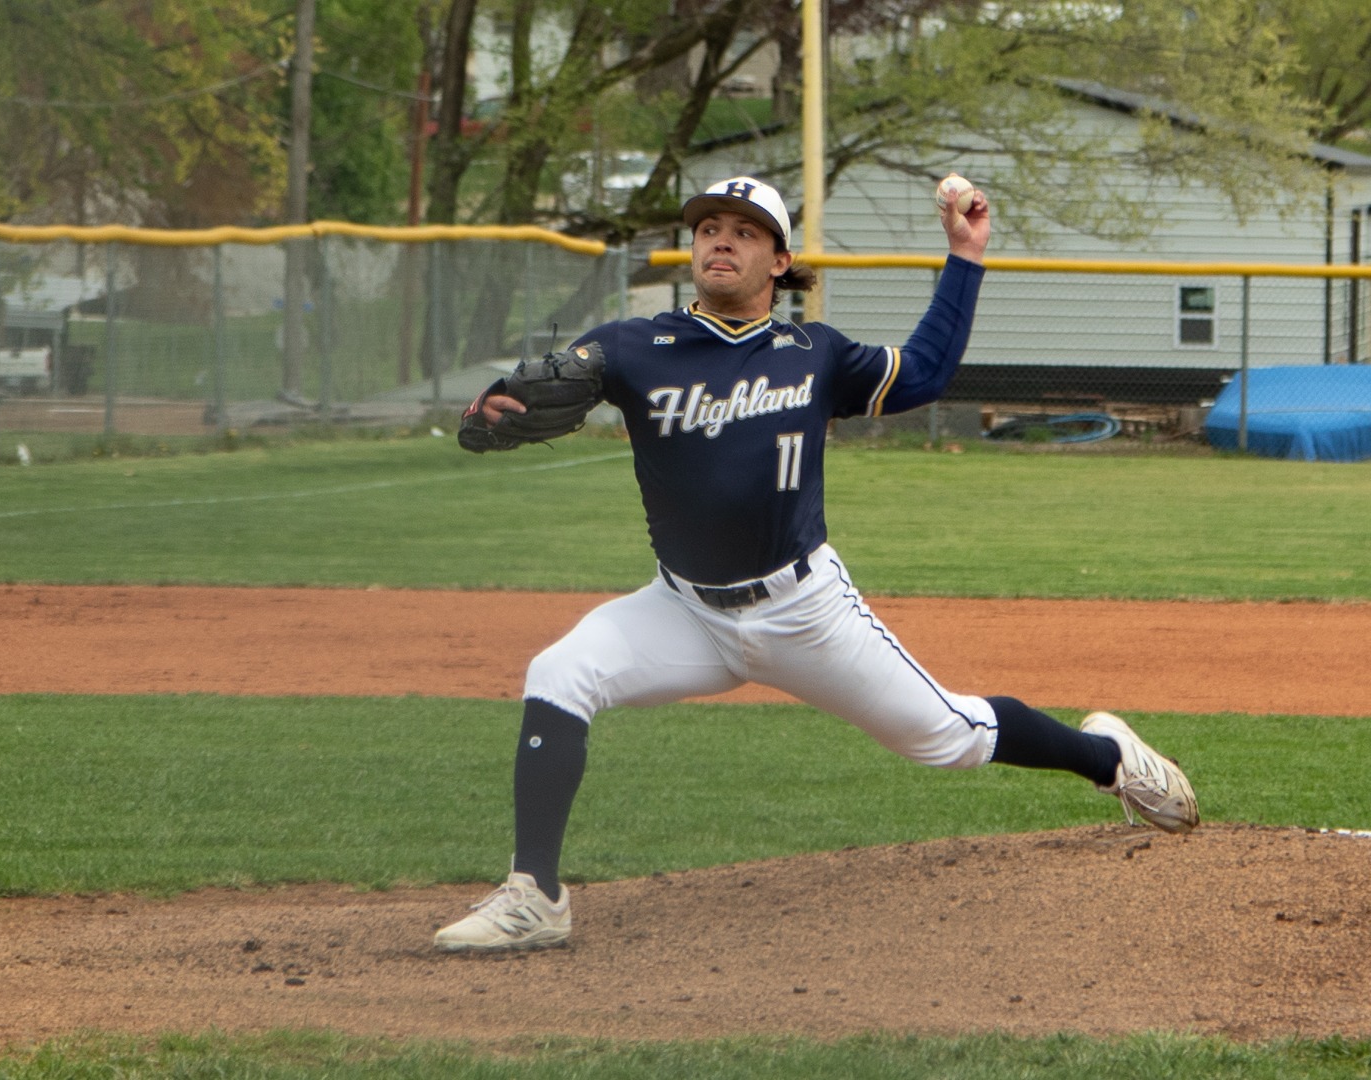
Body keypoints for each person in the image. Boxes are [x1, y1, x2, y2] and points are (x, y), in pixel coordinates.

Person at [433, 175, 1196, 953]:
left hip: (803, 612)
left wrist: (964, 256)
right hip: (684, 611)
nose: (720, 240)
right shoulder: (636, 345)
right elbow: (545, 381)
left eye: (744, 230)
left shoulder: (814, 354)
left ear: (779, 260)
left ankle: (1112, 760)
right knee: (560, 671)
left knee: (950, 737)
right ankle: (536, 896)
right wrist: (493, 403)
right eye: (708, 228)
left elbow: (927, 372)